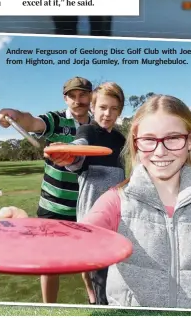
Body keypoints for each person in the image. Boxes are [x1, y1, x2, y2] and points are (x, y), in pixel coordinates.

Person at [0, 94, 191, 310]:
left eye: (173, 138)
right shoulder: (115, 201)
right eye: (149, 139)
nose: (160, 151)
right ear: (136, 143)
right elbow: (71, 243)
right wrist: (25, 231)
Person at [0, 76, 93, 304]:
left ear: (91, 96)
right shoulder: (56, 120)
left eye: (83, 95)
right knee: (50, 264)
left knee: (89, 258)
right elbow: (32, 122)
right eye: (72, 96)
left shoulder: (96, 125)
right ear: (65, 98)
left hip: (85, 204)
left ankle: (94, 298)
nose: (78, 101)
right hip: (53, 206)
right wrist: (15, 115)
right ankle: (49, 309)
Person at [48, 82, 127, 305]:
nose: (107, 113)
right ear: (93, 108)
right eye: (102, 107)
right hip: (92, 221)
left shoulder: (120, 141)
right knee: (101, 281)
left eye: (113, 108)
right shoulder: (88, 131)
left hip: (118, 220)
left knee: (118, 277)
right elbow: (78, 149)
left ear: (120, 110)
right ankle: (99, 304)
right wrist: (68, 154)